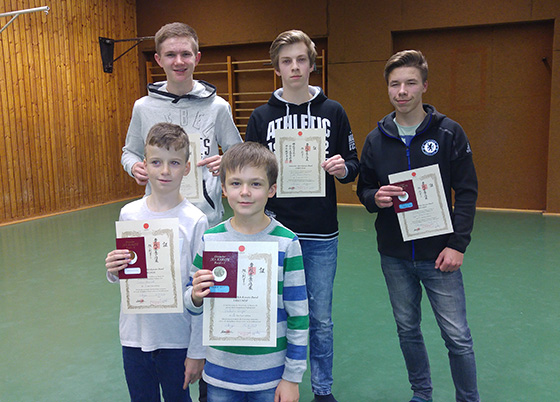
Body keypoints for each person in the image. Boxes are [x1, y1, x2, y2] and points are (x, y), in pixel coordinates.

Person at [357, 50, 480, 402]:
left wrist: (457, 244)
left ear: (424, 86)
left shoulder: (449, 132)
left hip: (440, 256)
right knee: (407, 330)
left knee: (457, 336)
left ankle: (468, 398)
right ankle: (421, 394)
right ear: (388, 88)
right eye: (395, 84)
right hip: (394, 256)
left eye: (410, 83)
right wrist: (374, 197)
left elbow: (467, 191)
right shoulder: (376, 139)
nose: (402, 91)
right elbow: (364, 188)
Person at [244, 30, 359, 402]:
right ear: (277, 68)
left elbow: (353, 164)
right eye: (286, 61)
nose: (294, 67)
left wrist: (343, 168)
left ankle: (322, 390)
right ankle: (273, 383)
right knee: (273, 313)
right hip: (272, 232)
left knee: (319, 318)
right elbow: (250, 171)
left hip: (321, 234)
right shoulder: (261, 117)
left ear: (312, 64)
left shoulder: (333, 111)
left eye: (301, 60)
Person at [184, 142, 309, 402]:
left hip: (270, 377)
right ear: (223, 188)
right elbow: (191, 302)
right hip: (220, 374)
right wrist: (195, 296)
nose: (245, 192)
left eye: (256, 184)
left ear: (272, 189)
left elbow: (298, 316)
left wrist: (292, 377)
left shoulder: (287, 243)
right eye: (236, 183)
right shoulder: (211, 240)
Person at [105, 122, 209, 402]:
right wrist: (114, 270)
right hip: (134, 336)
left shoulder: (196, 221)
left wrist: (197, 351)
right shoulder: (129, 214)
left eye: (174, 162)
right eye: (156, 162)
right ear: (144, 165)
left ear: (187, 168)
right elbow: (127, 271)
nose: (165, 171)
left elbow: (201, 291)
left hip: (176, 338)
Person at [121, 22, 242, 228]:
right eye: (170, 55)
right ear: (158, 60)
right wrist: (134, 167)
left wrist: (226, 161)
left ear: (197, 58)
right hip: (157, 219)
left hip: (206, 218)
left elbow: (238, 153)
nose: (179, 61)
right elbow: (129, 153)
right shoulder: (143, 107)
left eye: (186, 54)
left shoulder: (218, 107)